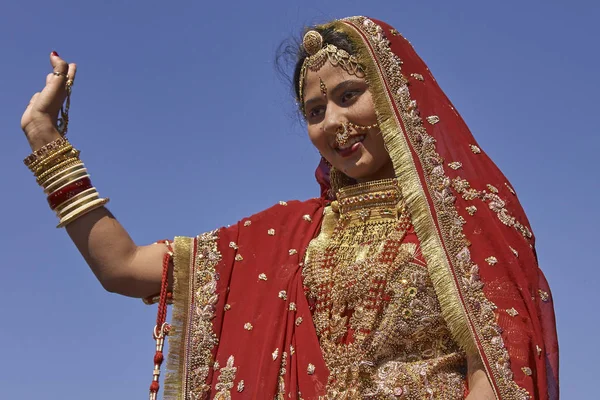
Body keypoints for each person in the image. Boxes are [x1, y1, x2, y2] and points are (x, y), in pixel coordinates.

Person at [20, 16, 558, 400]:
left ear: (398, 94)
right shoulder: (292, 234)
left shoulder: (469, 216)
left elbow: (500, 367)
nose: (332, 123)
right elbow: (123, 267)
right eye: (315, 110)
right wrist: (45, 140)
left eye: (349, 95)